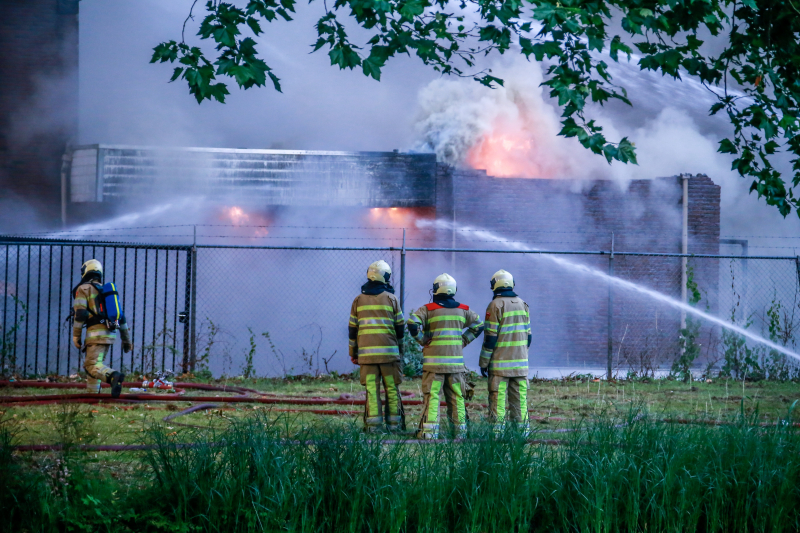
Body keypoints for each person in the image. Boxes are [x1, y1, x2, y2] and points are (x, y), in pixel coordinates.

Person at [408, 273, 483, 439]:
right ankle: (460, 433)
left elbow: (412, 323)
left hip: (434, 366)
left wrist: (422, 340)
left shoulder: (427, 309)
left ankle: (429, 433)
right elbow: (479, 325)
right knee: (457, 396)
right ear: (454, 290)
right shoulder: (464, 310)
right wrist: (463, 341)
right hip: (455, 366)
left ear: (435, 289)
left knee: (433, 396)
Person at [349, 260, 406, 432]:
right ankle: (394, 426)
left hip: (367, 357)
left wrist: (353, 352)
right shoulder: (392, 299)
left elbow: (352, 329)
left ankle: (373, 427)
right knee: (391, 388)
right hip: (389, 356)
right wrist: (400, 351)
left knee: (372, 391)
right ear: (385, 277)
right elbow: (400, 328)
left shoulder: (358, 300)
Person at [479, 269, 531, 435]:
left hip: (500, 366)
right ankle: (522, 434)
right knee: (520, 401)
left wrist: (484, 362)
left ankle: (497, 434)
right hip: (521, 366)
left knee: (498, 399)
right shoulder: (523, 304)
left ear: (495, 285)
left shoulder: (495, 305)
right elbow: (529, 337)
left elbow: (490, 338)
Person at [72, 259, 132, 398]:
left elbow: (80, 314)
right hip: (110, 334)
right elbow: (121, 318)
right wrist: (126, 341)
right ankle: (93, 396)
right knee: (95, 364)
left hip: (95, 334)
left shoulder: (83, 289)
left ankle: (113, 376)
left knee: (91, 365)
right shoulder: (106, 292)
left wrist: (76, 335)